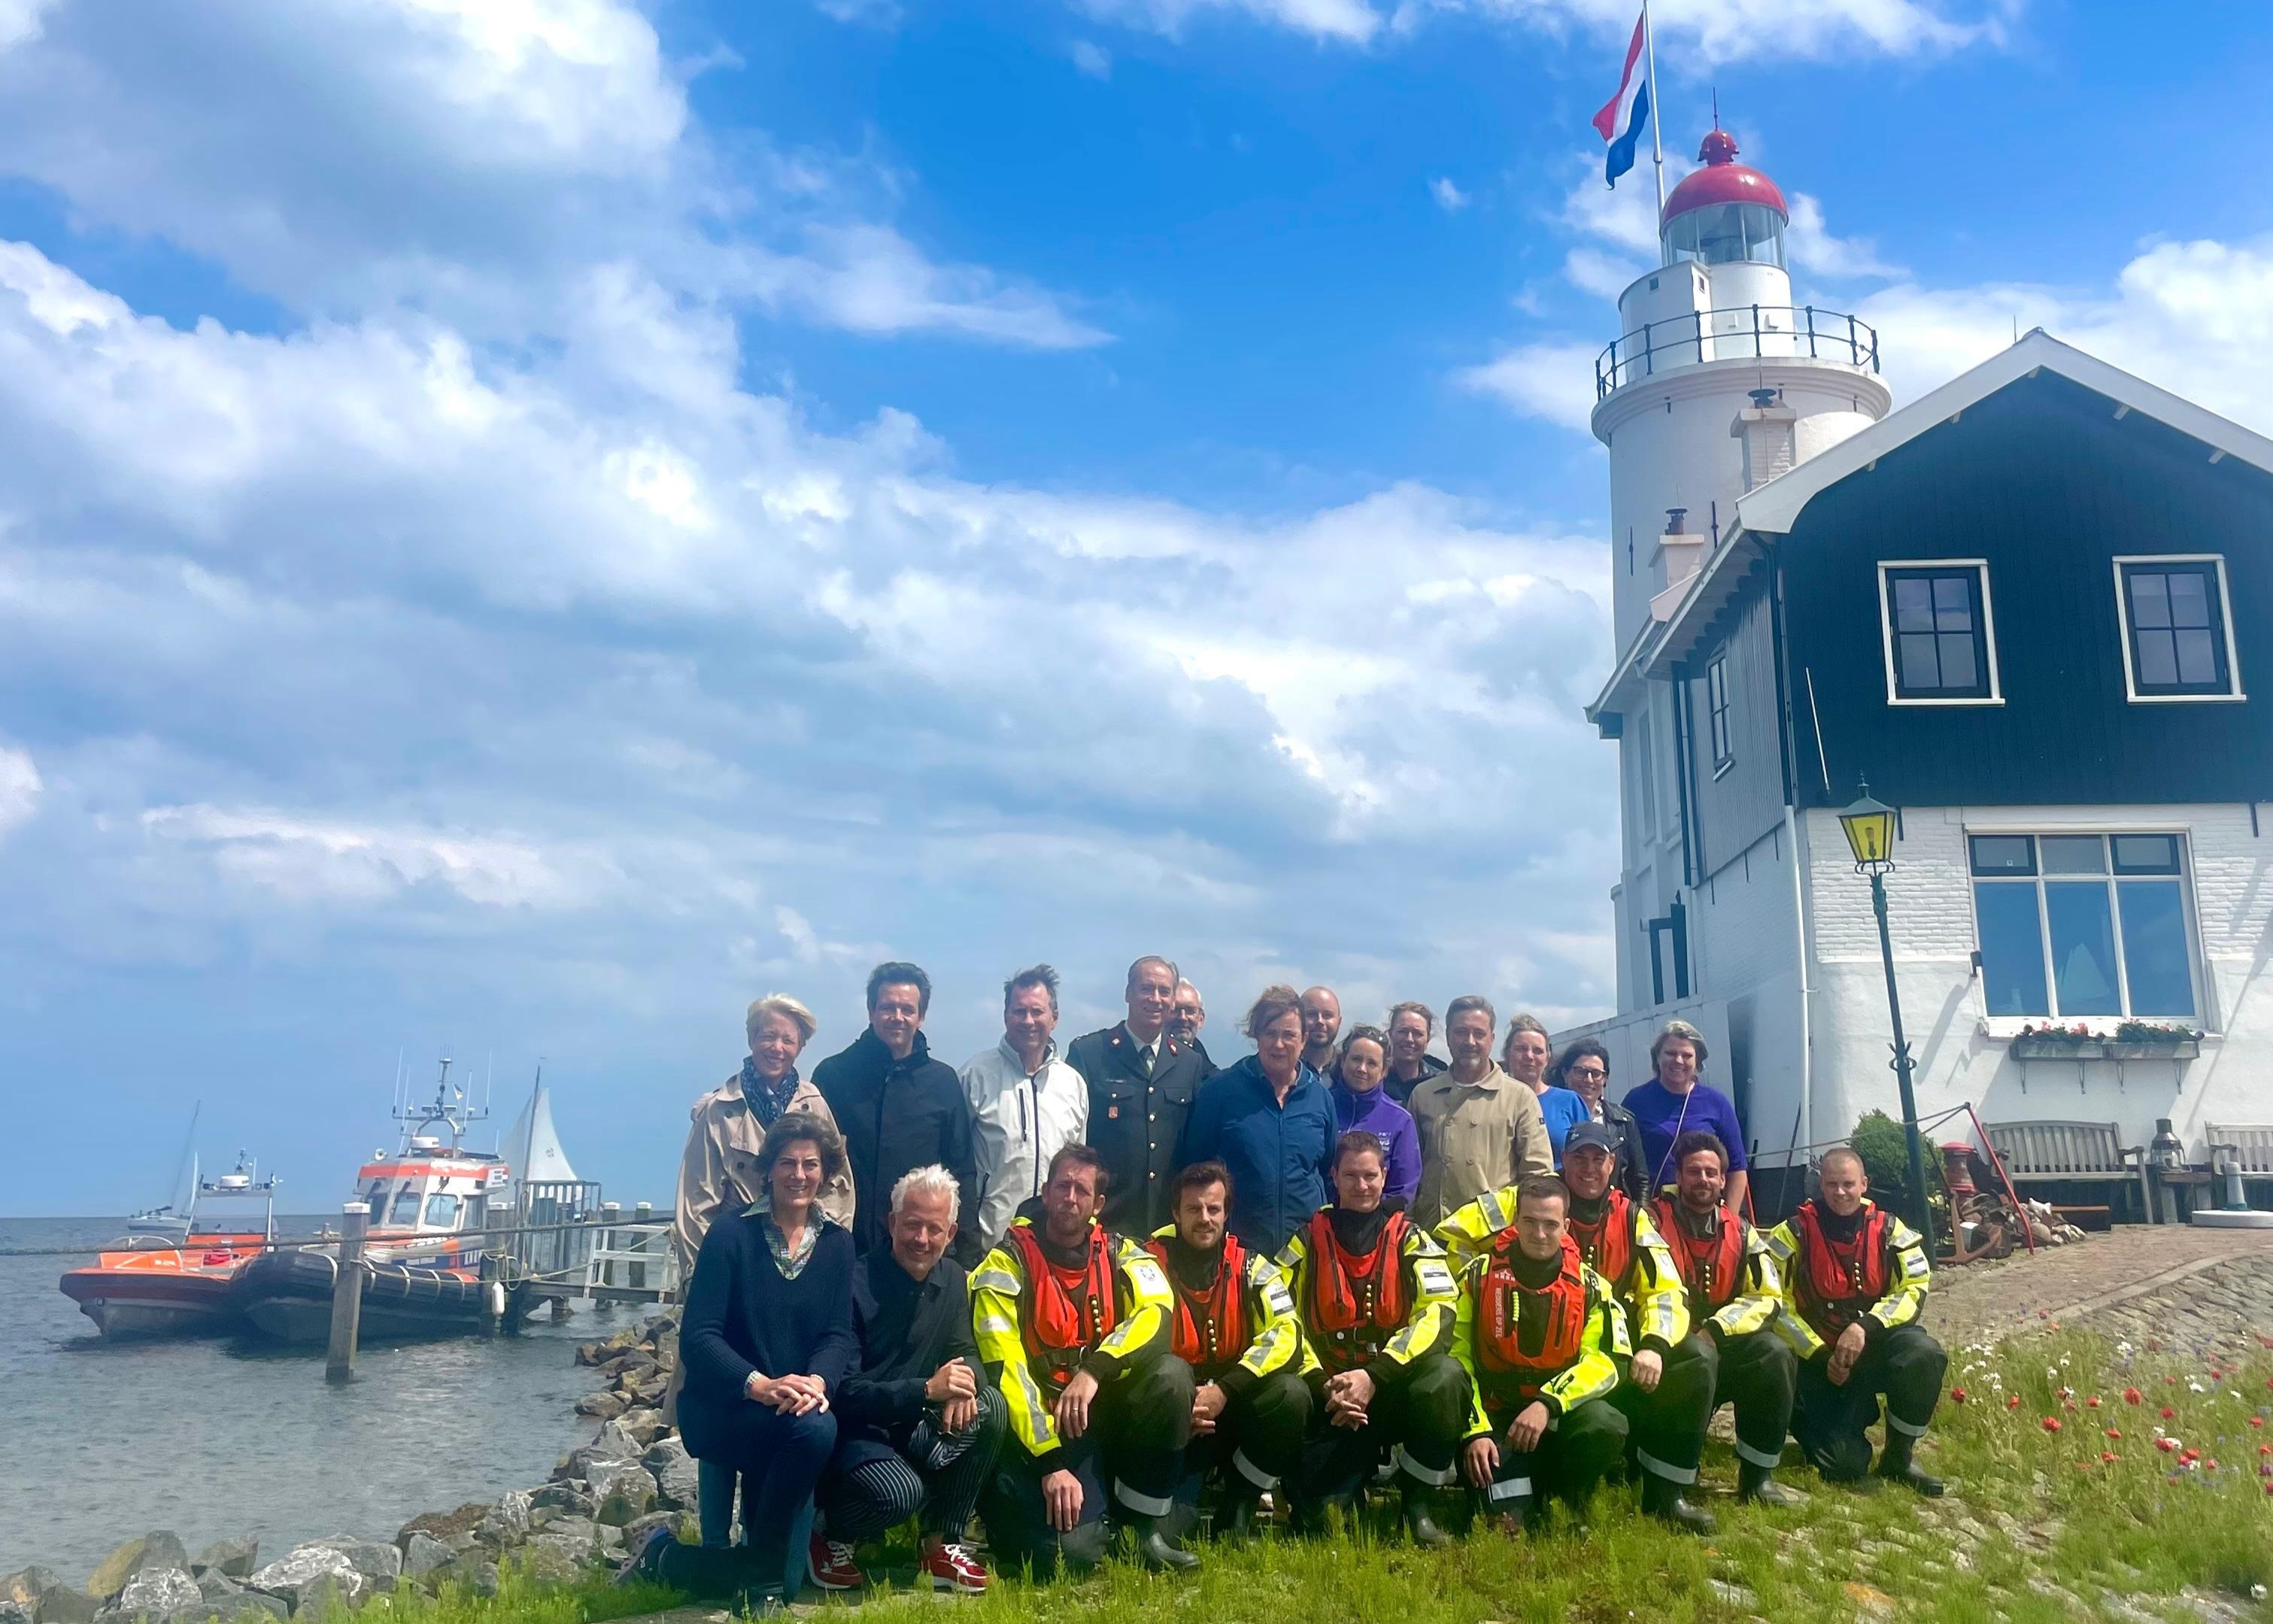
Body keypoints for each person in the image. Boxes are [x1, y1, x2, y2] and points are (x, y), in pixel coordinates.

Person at [624, 1113, 855, 1613]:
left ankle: (666, 1557)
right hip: (727, 1407)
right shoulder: (730, 1235)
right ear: (768, 1168)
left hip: (791, 1412)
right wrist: (760, 1385)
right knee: (817, 1432)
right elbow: (700, 1337)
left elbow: (838, 1334)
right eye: (788, 1162)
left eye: (811, 1164)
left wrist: (817, 1380)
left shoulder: (837, 1244)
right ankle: (763, 1577)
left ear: (825, 1171)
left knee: (788, 1581)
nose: (799, 1174)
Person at [1435, 1122, 1708, 1533]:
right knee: (1505, 1523)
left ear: (1612, 1165)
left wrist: (1653, 1343)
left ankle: (1664, 1491)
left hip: (1602, 1350)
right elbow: (1449, 1238)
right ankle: (1525, 1481)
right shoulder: (1521, 1202)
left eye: (1598, 1160)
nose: (1588, 1168)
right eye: (1579, 1158)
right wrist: (1487, 1279)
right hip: (1506, 1366)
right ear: (1563, 1161)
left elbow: (1667, 1290)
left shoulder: (1631, 1218)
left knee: (1692, 1360)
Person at [970, 1145, 1197, 1574]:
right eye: (1062, 1186)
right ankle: (1004, 1517)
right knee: (1071, 1556)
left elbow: (1158, 1313)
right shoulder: (1005, 1263)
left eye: (1081, 1190)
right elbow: (1008, 1372)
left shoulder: (1121, 1253)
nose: (1070, 1198)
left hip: (1102, 1413)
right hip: (1042, 1429)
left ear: (1098, 1203)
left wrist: (1094, 1371)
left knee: (1172, 1375)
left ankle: (1139, 1527)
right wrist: (1050, 1461)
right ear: (1045, 1191)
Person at [811, 1167, 1006, 1595]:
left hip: (914, 1426)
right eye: (912, 1224)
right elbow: (842, 1390)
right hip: (857, 1434)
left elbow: (968, 1352)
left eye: (934, 1228)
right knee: (902, 1494)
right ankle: (827, 1532)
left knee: (991, 1405)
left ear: (951, 1232)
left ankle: (941, 1542)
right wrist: (927, 1390)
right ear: (892, 1222)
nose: (922, 1239)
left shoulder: (953, 1278)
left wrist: (964, 1383)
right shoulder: (854, 1282)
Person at [1276, 1131, 1468, 1547]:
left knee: (1446, 1376)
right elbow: (1279, 1319)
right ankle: (1346, 1482)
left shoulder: (1411, 1238)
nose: (1361, 1186)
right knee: (1321, 1527)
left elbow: (1439, 1311)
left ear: (1385, 1175)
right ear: (1334, 1177)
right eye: (1351, 1176)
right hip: (1329, 1395)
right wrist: (1322, 1383)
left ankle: (1416, 1507)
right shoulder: (1306, 1239)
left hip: (1389, 1389)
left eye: (1370, 1176)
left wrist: (1376, 1376)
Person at [1452, 1175, 1628, 1535]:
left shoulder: (1592, 1287)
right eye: (1530, 1222)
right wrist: (1475, 1430)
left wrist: (1548, 1403)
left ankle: (1565, 1498)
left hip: (1555, 1418)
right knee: (1505, 1530)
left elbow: (1608, 1363)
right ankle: (1512, 1497)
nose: (1539, 1233)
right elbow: (1458, 1359)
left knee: (1606, 1422)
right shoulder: (1476, 1279)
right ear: (1515, 1221)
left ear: (1565, 1226)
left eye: (1550, 1224)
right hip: (1495, 1419)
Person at [1143, 1161, 1312, 1539]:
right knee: (1172, 1532)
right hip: (1173, 1420)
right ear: (1175, 1213)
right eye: (1193, 1209)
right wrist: (1180, 1404)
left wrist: (1224, 1390)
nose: (1204, 1218)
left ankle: (1239, 1504)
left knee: (1292, 1395)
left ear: (1226, 1213)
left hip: (1230, 1410)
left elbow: (1288, 1333)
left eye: (1213, 1209)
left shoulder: (1254, 1267)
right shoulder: (1145, 1265)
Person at [1765, 1148, 1946, 1496]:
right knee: (1845, 1467)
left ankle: (1900, 1456)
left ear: (1864, 1184)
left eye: (1848, 1184)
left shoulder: (1892, 1229)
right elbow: (1776, 1303)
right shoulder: (1791, 1234)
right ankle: (1811, 1423)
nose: (1840, 1192)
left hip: (1871, 1349)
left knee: (1922, 1353)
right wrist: (1820, 1356)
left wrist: (1866, 1327)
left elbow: (1914, 1286)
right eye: (1832, 1184)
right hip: (1817, 1362)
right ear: (1821, 1184)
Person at [1650, 1131, 1802, 1507]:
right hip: (1670, 1351)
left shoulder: (1743, 1231)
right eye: (1694, 1172)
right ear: (1679, 1176)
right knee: (1697, 1358)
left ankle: (1757, 1478)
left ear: (1722, 1180)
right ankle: (1673, 1483)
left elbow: (1767, 1296)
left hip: (1720, 1344)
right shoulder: (1650, 1221)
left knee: (1774, 1352)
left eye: (1711, 1173)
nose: (1702, 1180)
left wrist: (1717, 1330)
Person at [814, 962, 982, 1265]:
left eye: (907, 1009)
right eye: (888, 1007)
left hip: (919, 1254)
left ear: (921, 1017)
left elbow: (961, 1171)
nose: (897, 1017)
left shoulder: (943, 1082)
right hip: (842, 1248)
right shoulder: (833, 1076)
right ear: (871, 1011)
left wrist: (968, 1258)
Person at [676, 995, 854, 1278]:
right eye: (768, 1037)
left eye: (788, 1040)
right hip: (737, 1260)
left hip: (804, 1258)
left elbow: (838, 1189)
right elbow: (695, 1207)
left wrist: (829, 1255)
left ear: (800, 1047)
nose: (777, 1048)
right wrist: (704, 1277)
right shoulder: (718, 1112)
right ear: (751, 1038)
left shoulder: (815, 1106)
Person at [1176, 985, 1337, 1256]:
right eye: (1270, 1033)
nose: (1279, 1044)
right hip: (1237, 1253)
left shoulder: (1320, 1098)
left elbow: (1326, 1171)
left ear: (1304, 1039)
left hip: (1306, 1253)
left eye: (1289, 1035)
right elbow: (1194, 1167)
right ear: (1256, 1035)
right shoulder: (1221, 1091)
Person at [1067, 956, 1211, 1238]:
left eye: (1164, 991)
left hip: (1166, 1227)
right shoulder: (1090, 1053)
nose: (1155, 999)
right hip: (1106, 1223)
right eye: (1147, 989)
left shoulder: (1189, 1063)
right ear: (1128, 994)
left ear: (1172, 1000)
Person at [961, 965, 1089, 1255]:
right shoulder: (974, 1076)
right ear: (1006, 1016)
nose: (1028, 1021)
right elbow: (958, 1165)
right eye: (1019, 1012)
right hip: (989, 1244)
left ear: (1054, 1018)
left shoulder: (1073, 1085)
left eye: (1037, 1011)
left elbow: (1079, 1171)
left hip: (1056, 1250)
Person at [1409, 996, 1554, 1228]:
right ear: (1448, 1037)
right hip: (1432, 1235)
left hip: (1494, 1238)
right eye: (1461, 1032)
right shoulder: (1422, 1095)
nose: (1470, 1041)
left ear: (1492, 1039)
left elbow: (1537, 1176)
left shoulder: (1519, 1098)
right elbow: (1409, 1173)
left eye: (1479, 1033)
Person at [1622, 1020, 1749, 1213]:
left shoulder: (1717, 1103)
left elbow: (1737, 1168)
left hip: (1703, 1214)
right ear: (1657, 1057)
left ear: (1697, 1062)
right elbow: (1623, 1163)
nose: (1678, 1061)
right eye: (1671, 1053)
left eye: (1687, 1055)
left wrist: (1729, 1221)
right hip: (1651, 1214)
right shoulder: (1636, 1101)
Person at [1329, 1025, 1420, 1206]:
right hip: (1321, 1223)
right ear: (1342, 1061)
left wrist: (1369, 1223)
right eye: (1356, 1059)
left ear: (1384, 1071)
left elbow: (1403, 1189)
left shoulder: (1400, 1120)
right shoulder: (1321, 1106)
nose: (1362, 1069)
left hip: (1376, 1228)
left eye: (1372, 1063)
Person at [1552, 1038, 1646, 1202]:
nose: (1588, 1080)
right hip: (1562, 1208)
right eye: (1581, 1072)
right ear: (1565, 1073)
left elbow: (1640, 1179)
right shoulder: (1549, 1116)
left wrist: (1639, 1216)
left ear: (1605, 1079)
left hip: (1614, 1213)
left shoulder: (1623, 1120)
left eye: (1596, 1074)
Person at [1502, 1015, 1589, 1162]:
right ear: (1507, 1054)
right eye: (1521, 1049)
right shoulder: (1492, 1100)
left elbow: (1589, 1156)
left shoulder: (1570, 1102)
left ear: (1548, 1058)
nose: (1529, 1056)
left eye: (1537, 1051)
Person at [1382, 1001, 1447, 1106]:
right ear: (1390, 1034)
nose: (1409, 1039)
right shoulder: (1374, 1078)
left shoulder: (1441, 1083)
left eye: (1418, 1034)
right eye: (1403, 1031)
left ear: (1428, 1040)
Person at [1169, 981, 1218, 1079]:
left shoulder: (1214, 1081)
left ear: (1201, 1019)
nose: (1182, 1017)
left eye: (1190, 1011)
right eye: (1175, 1010)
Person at [1299, 985, 1343, 1077]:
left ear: (1339, 1022)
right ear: (1297, 1018)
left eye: (1327, 1015)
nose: (1320, 1021)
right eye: (1311, 1014)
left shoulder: (1348, 1070)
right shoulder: (1285, 1064)